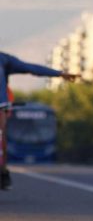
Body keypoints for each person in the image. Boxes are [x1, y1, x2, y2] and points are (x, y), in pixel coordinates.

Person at [0, 52, 78, 190]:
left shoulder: (3, 59)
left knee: (2, 138)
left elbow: (31, 68)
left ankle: (3, 172)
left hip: (1, 106)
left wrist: (59, 74)